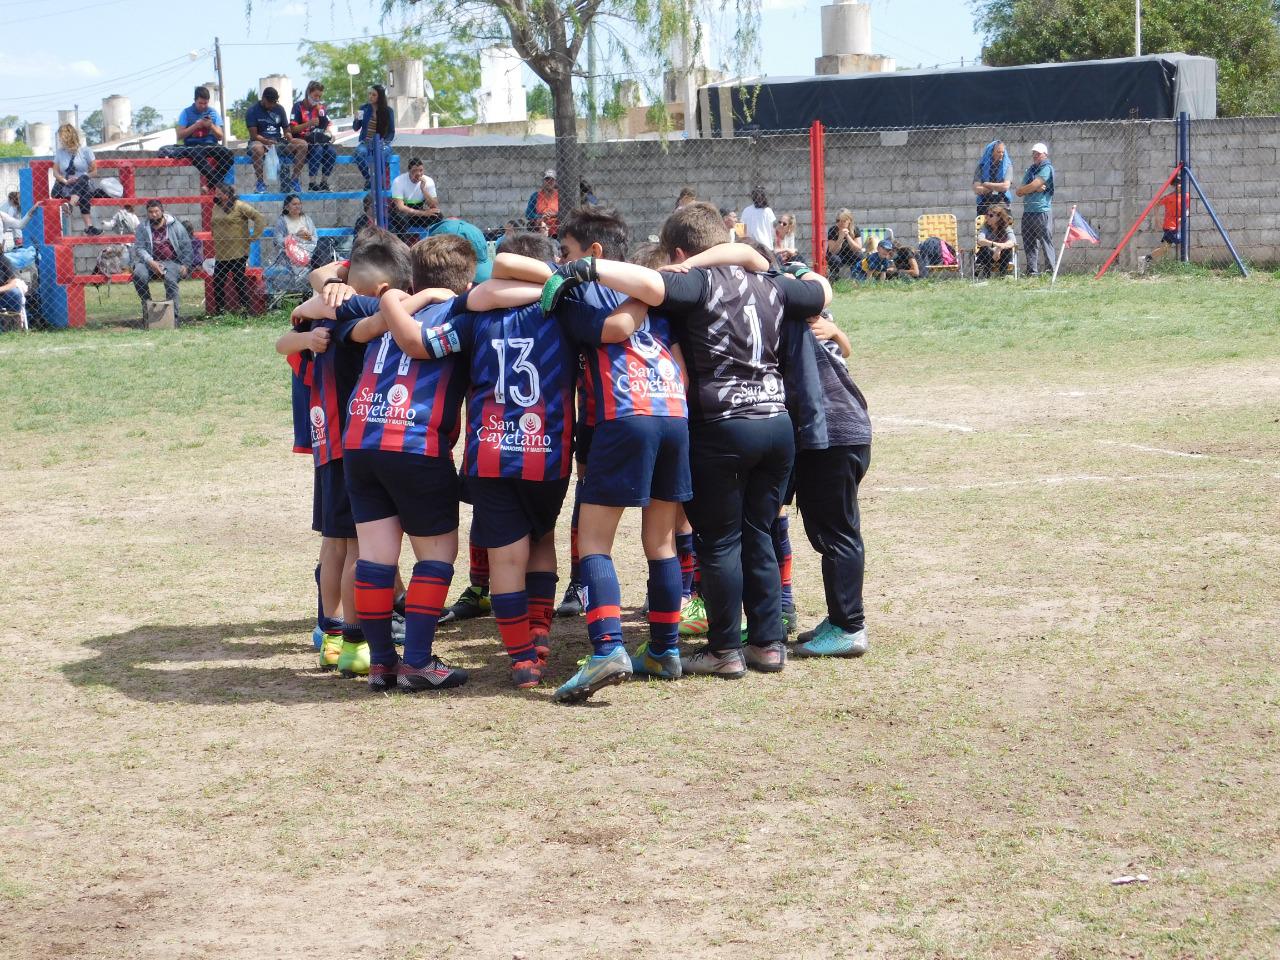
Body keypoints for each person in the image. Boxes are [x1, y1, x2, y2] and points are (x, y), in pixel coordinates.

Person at [546, 201, 832, 677]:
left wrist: (588, 267)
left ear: (680, 251)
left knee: (719, 541)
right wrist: (769, 261)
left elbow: (652, 285)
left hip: (720, 423)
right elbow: (820, 291)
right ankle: (768, 645)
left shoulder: (694, 282)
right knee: (759, 534)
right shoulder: (770, 283)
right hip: (776, 422)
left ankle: (724, 651)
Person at [380, 235, 576, 690]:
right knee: (541, 538)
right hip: (546, 452)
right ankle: (539, 628)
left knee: (506, 557)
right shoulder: (565, 310)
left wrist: (390, 296)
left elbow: (419, 344)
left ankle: (522, 660)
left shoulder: (472, 315)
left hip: (491, 451)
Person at [793, 311, 873, 658]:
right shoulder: (812, 313)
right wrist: (837, 331)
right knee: (833, 530)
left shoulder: (790, 317)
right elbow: (846, 348)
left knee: (837, 533)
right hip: (845, 433)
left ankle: (849, 627)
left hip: (833, 438)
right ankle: (840, 617)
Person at [209, 182, 267, 314]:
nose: (215, 196)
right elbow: (213, 223)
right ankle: (220, 312)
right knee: (217, 282)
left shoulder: (239, 205)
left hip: (238, 251)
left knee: (238, 282)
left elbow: (259, 217)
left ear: (226, 195)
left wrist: (255, 236)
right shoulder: (216, 207)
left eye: (218, 193)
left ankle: (245, 310)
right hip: (221, 253)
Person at [131, 200, 192, 321]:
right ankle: (148, 308)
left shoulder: (175, 225)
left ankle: (173, 317)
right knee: (138, 274)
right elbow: (139, 248)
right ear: (147, 213)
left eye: (156, 211)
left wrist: (186, 264)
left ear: (162, 211)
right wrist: (151, 262)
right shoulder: (142, 227)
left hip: (171, 262)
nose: (154, 214)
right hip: (149, 262)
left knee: (170, 279)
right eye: (150, 212)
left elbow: (186, 245)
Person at [173, 86, 235, 192]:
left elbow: (220, 136)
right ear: (195, 101)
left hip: (210, 144)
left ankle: (209, 185)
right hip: (193, 146)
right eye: (200, 103)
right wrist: (196, 125)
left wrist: (211, 126)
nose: (203, 106)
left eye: (205, 103)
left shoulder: (213, 113)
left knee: (228, 154)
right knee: (197, 155)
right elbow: (180, 135)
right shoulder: (186, 112)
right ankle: (219, 184)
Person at [246, 86, 307, 193]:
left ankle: (294, 179)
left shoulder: (279, 109)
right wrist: (266, 141)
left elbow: (287, 130)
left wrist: (288, 135)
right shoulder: (252, 111)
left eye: (274, 102)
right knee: (257, 148)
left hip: (278, 142)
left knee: (302, 144)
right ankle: (260, 183)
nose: (272, 105)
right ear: (263, 98)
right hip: (260, 142)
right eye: (270, 102)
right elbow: (253, 135)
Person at [51, 123, 105, 235]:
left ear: (70, 137)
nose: (61, 141)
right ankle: (89, 227)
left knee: (83, 180)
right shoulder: (60, 153)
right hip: (67, 185)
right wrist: (65, 181)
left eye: (62, 138)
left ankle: (70, 205)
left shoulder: (86, 151)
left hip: (83, 183)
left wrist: (83, 177)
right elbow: (55, 172)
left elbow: (94, 172)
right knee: (83, 192)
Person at [1015, 141, 1055, 276]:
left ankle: (1050, 271)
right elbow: (1019, 191)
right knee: (1029, 243)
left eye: (1038, 154)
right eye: (1034, 154)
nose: (1035, 156)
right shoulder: (1030, 170)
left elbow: (1032, 185)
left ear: (1045, 154)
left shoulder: (1047, 168)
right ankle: (1032, 272)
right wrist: (1033, 187)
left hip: (1041, 211)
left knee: (1045, 242)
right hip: (1028, 211)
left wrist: (1031, 187)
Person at [290, 80, 337, 192]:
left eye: (319, 96)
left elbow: (327, 124)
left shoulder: (320, 108)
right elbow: (292, 129)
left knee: (331, 151)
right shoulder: (298, 107)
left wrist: (330, 133)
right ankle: (312, 183)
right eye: (315, 95)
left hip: (318, 139)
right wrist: (309, 123)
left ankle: (324, 182)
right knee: (318, 149)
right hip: (304, 141)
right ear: (308, 93)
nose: (317, 98)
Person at [352, 84, 395, 190]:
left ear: (380, 97)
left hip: (381, 142)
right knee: (358, 153)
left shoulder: (388, 111)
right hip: (366, 142)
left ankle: (378, 180)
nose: (370, 96)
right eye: (370, 94)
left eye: (374, 95)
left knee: (383, 153)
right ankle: (370, 179)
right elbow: (356, 128)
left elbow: (391, 132)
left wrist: (385, 142)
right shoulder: (364, 109)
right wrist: (357, 119)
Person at [1142, 174, 1184, 269]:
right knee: (1178, 241)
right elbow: (1156, 204)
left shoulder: (1186, 196)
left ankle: (1146, 258)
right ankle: (1182, 264)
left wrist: (1183, 217)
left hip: (1180, 225)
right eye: (1177, 184)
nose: (1179, 185)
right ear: (1174, 185)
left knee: (1165, 248)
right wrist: (1157, 218)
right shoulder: (1169, 197)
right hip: (1170, 225)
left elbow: (1187, 209)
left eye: (1181, 183)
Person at [389, 157, 440, 234]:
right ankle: (404, 243)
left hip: (418, 211)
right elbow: (400, 207)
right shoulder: (399, 181)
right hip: (404, 213)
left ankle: (432, 240)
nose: (418, 174)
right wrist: (423, 213)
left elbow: (434, 205)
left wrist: (423, 189)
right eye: (415, 171)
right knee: (400, 219)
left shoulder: (428, 181)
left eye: (421, 170)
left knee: (438, 215)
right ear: (409, 171)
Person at [273, 194, 319, 269]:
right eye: (294, 204)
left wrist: (308, 237)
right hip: (290, 254)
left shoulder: (307, 219)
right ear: (286, 207)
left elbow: (315, 239)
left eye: (299, 204)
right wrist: (295, 236)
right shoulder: (282, 221)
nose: (298, 206)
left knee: (325, 242)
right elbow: (277, 241)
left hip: (309, 251)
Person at [975, 203, 1016, 279]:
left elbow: (1013, 242)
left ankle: (1002, 276)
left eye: (990, 215)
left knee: (1007, 250)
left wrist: (1000, 248)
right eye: (986, 215)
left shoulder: (1006, 228)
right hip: (989, 254)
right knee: (984, 249)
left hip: (1001, 255)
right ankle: (986, 277)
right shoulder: (985, 227)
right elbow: (980, 240)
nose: (987, 217)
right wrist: (996, 245)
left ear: (999, 217)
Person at [972, 139, 1013, 215]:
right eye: (998, 152)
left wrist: (987, 184)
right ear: (991, 152)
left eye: (1003, 152)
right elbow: (977, 189)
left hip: (1002, 202)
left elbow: (1005, 186)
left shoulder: (1007, 166)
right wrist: (997, 188)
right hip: (984, 202)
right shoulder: (981, 166)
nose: (1001, 154)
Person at [825, 208, 863, 279]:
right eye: (838, 220)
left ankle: (856, 276)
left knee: (859, 256)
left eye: (843, 221)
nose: (840, 223)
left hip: (850, 255)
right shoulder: (833, 230)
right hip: (837, 255)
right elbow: (833, 251)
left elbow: (858, 248)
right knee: (834, 259)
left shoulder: (855, 229)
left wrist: (847, 236)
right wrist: (840, 238)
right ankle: (834, 278)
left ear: (849, 221)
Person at [525, 169, 560, 237]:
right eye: (547, 179)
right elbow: (528, 214)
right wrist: (541, 217)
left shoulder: (560, 196)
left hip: (557, 229)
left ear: (555, 182)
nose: (549, 181)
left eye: (552, 180)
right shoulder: (535, 196)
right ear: (543, 181)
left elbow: (566, 211)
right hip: (540, 229)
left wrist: (555, 215)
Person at [0, 255, 29, 331]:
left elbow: (13, 282)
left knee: (15, 293)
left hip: (2, 295)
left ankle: (14, 327)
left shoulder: (3, 260)